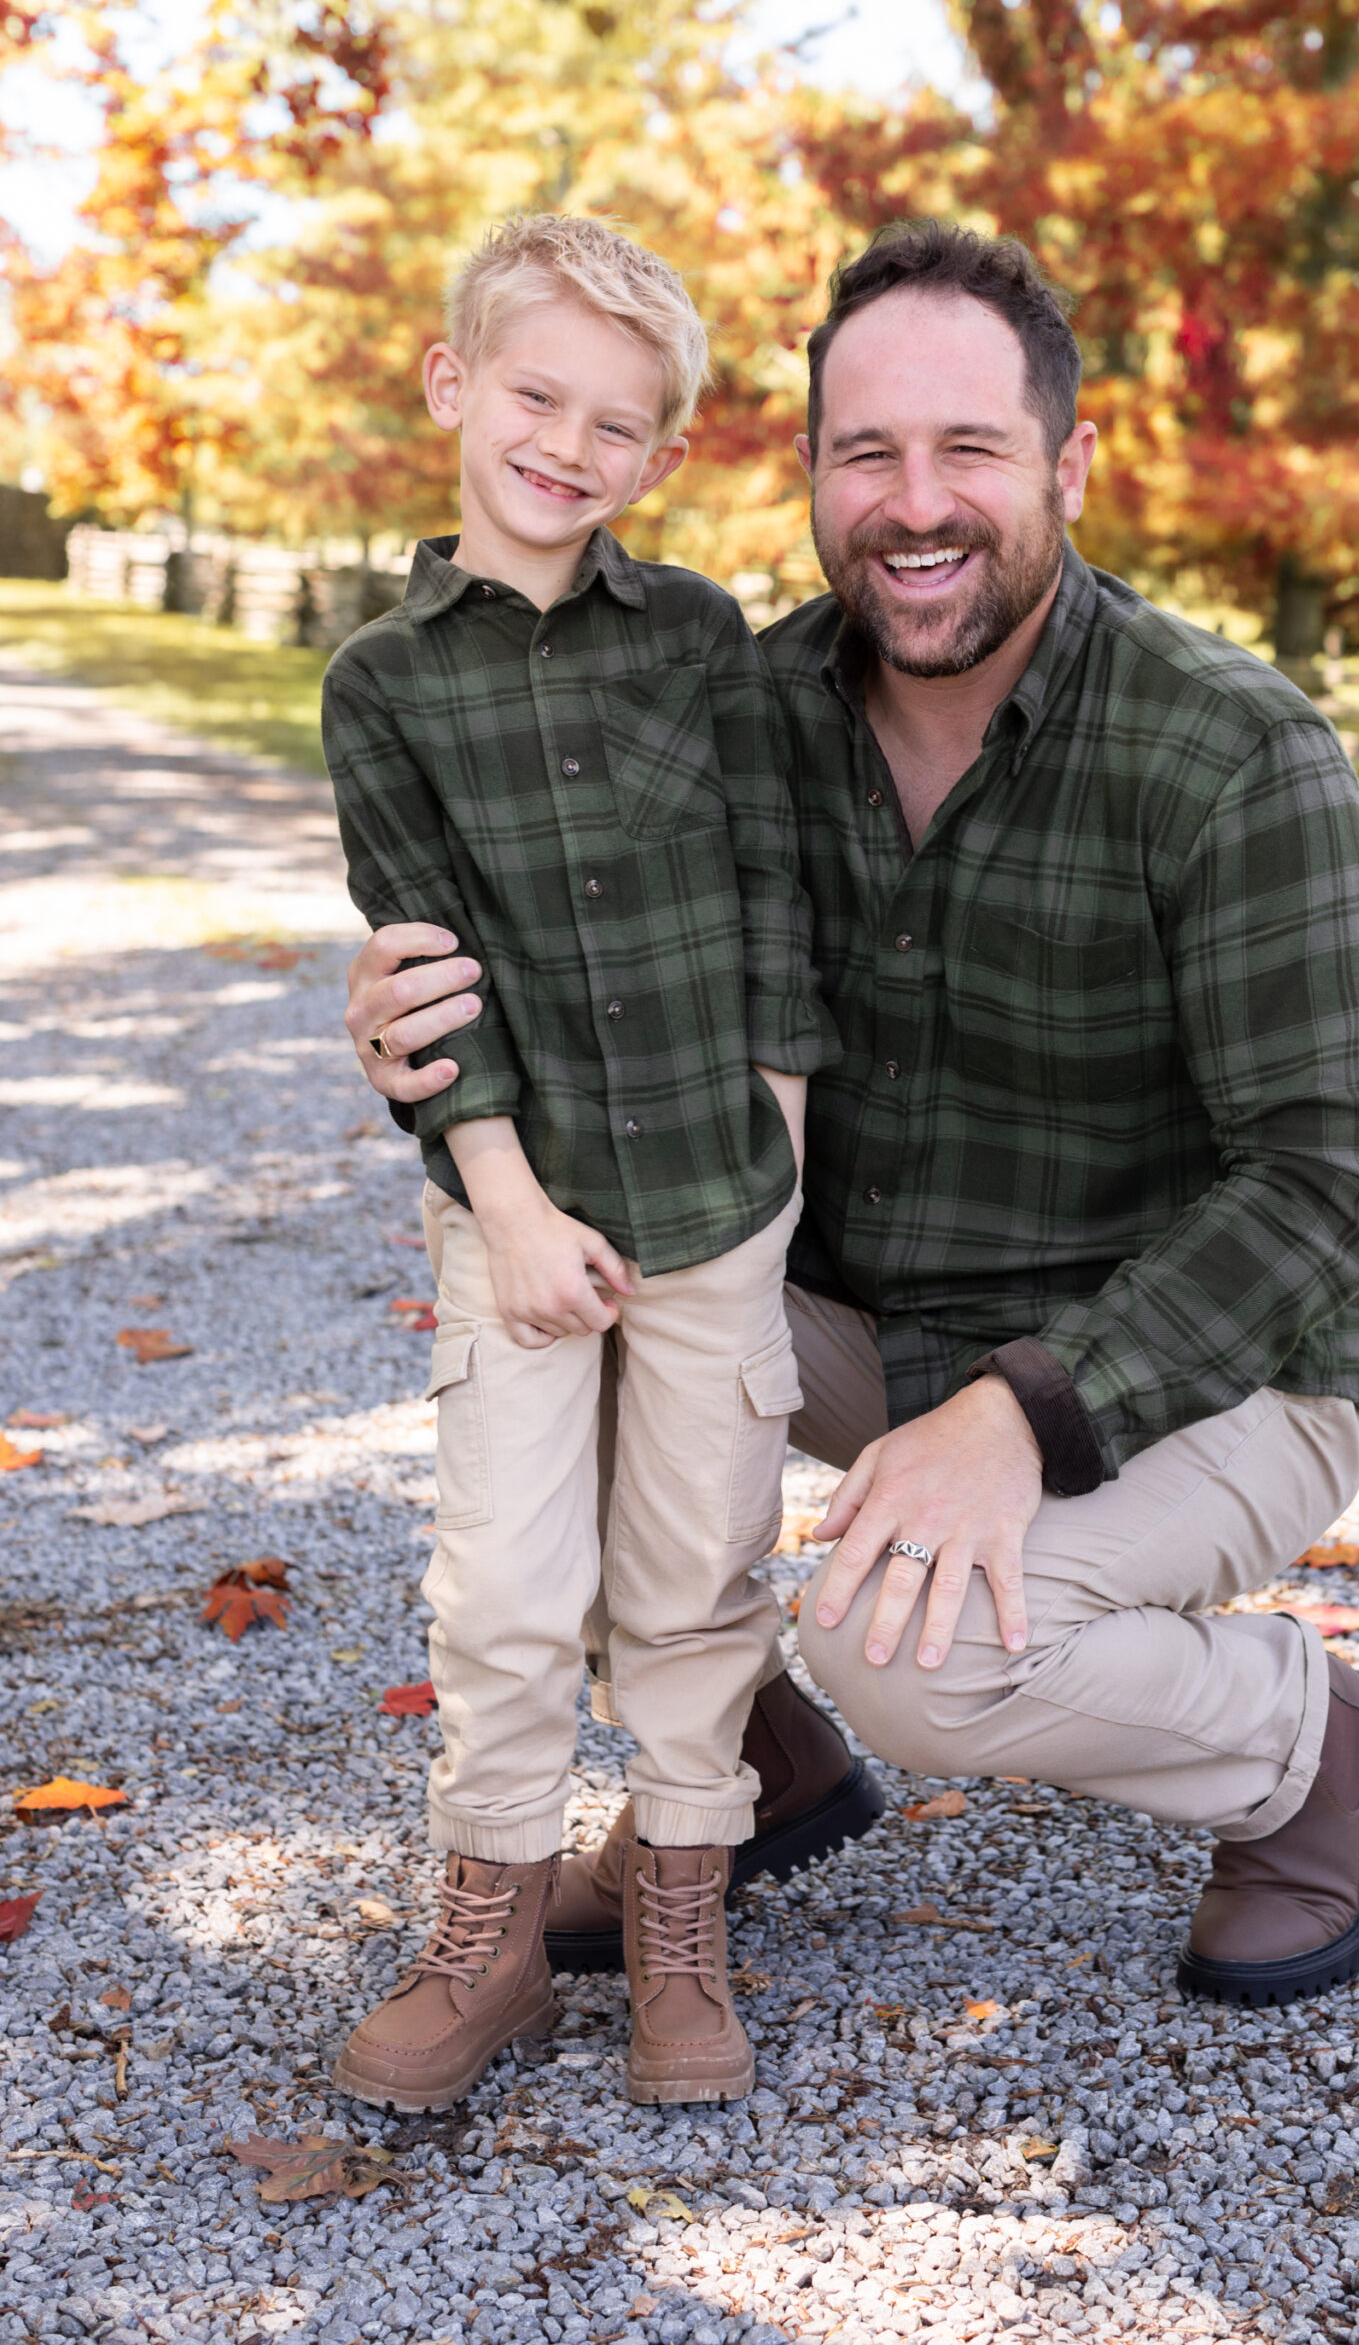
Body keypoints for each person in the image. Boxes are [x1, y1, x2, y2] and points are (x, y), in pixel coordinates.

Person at [344, 220, 1359, 2013]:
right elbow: (580, 1014)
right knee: (567, 1332)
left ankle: (1306, 1742)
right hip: (867, 1319)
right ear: (810, 475)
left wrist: (1026, 1411)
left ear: (1067, 465)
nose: (917, 503)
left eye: (970, 450)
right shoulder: (734, 703)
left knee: (916, 1658)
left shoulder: (1229, 753)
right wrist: (410, 1048)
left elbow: (1328, 1188)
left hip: (1216, 1370)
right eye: (868, 453)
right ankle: (758, 1774)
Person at [319, 212, 879, 2114]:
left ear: (663, 455)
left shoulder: (700, 641)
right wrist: (507, 1199)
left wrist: (778, 1154)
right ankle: (482, 1936)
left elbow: (768, 901)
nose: (566, 443)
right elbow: (424, 972)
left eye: (616, 421)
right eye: (535, 393)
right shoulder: (385, 685)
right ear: (453, 385)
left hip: (722, 1202)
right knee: (502, 1585)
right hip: (520, 1217)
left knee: (695, 1582)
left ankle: (676, 1928)